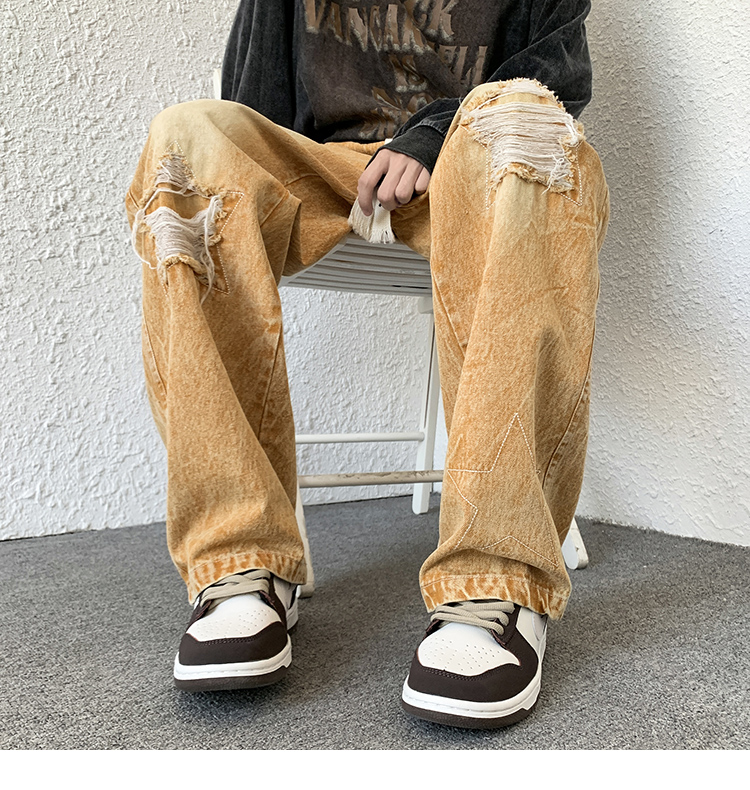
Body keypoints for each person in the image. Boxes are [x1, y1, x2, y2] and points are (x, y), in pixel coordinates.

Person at [125, 0, 609, 729]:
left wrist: (429, 135)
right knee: (187, 138)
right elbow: (248, 111)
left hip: (468, 166)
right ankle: (241, 562)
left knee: (525, 119)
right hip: (321, 172)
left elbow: (556, 82)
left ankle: (496, 579)